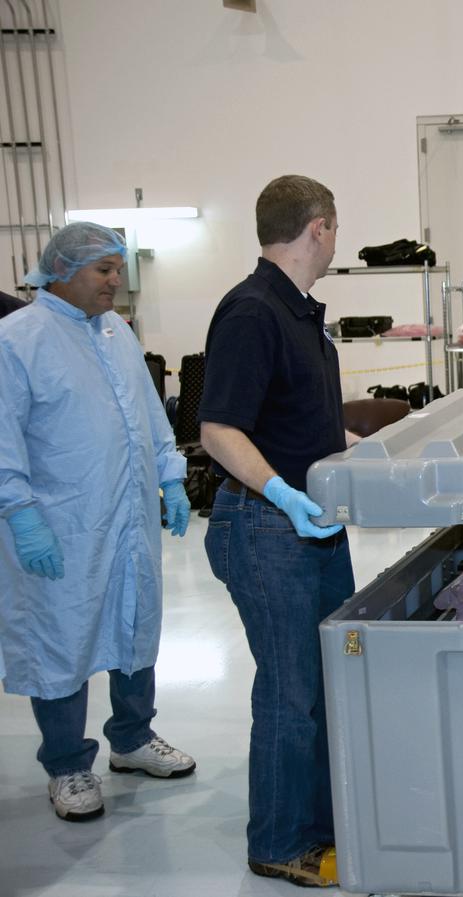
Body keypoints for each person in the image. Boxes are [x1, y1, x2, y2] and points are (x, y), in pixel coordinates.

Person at [0, 222, 195, 824]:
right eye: (104, 270)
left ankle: (132, 739)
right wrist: (20, 514)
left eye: (119, 269)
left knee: (135, 623)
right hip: (62, 525)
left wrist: (170, 475)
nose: (117, 281)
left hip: (128, 517)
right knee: (62, 638)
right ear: (61, 271)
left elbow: (150, 415)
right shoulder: (18, 339)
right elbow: (3, 437)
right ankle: (67, 765)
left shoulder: (117, 333)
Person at [199, 174, 353, 889]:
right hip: (266, 526)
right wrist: (284, 494)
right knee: (291, 691)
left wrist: (378, 452)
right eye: (335, 227)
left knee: (324, 681)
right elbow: (218, 431)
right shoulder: (253, 311)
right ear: (318, 227)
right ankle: (279, 841)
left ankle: (322, 823)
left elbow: (304, 422)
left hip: (312, 525)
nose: (336, 238)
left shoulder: (301, 313)